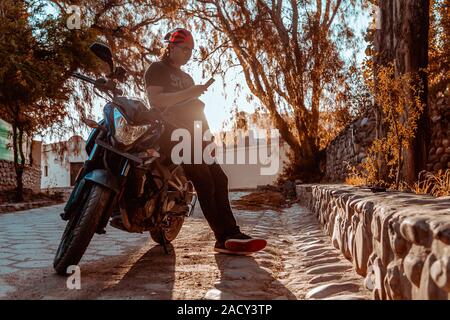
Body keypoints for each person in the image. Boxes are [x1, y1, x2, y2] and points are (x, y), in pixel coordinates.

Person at [144, 27, 267, 255]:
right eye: (184, 49)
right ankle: (223, 238)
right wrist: (191, 92)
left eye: (191, 51)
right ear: (171, 47)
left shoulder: (187, 77)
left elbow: (196, 111)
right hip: (171, 135)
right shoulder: (157, 69)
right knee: (204, 180)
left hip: (195, 134)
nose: (188, 54)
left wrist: (208, 138)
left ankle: (232, 233)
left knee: (219, 178)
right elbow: (156, 100)